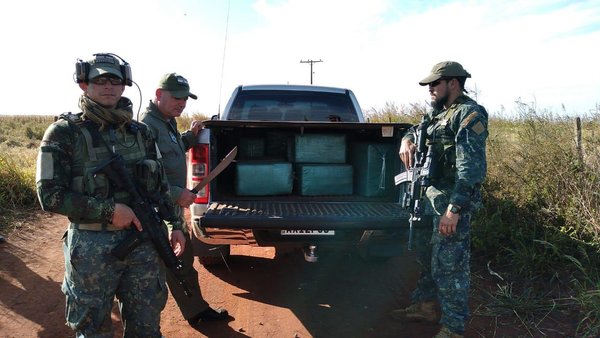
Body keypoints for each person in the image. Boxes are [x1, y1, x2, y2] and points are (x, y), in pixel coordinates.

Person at [36, 53, 186, 337]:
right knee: (93, 330)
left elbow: (160, 187)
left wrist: (176, 225)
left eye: (115, 80)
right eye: (100, 80)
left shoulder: (141, 133)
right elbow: (49, 195)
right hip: (92, 248)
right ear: (84, 83)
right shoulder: (64, 133)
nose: (108, 86)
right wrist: (108, 210)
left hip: (144, 245)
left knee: (146, 326)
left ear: (125, 84)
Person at [391, 61, 488, 338]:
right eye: (429, 85)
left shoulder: (469, 115)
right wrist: (406, 140)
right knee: (425, 257)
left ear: (453, 83)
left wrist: (454, 209)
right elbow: (415, 129)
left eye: (435, 84)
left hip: (450, 204)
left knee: (450, 266)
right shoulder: (438, 113)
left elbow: (471, 169)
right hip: (429, 200)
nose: (430, 89)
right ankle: (424, 307)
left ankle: (454, 327)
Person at [140, 72, 229, 328]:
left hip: (171, 212)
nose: (181, 103)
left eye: (185, 99)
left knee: (183, 262)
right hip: (154, 214)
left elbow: (169, 152)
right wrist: (177, 193)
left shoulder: (165, 122)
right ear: (158, 94)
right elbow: (141, 175)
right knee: (153, 275)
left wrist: (189, 138)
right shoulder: (146, 127)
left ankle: (197, 312)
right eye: (176, 97)